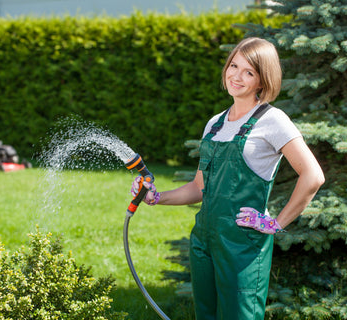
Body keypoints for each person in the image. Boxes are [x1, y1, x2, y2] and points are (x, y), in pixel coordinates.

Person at [131, 37, 325, 320]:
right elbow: (199, 187)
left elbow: (313, 176)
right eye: (233, 65)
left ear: (262, 80)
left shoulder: (273, 120)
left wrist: (275, 224)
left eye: (249, 72)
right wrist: (156, 197)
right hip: (204, 241)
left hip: (243, 246)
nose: (236, 76)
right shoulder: (215, 123)